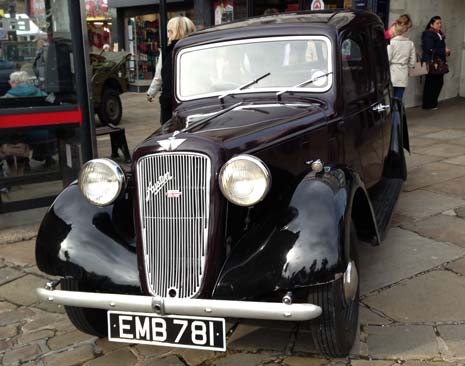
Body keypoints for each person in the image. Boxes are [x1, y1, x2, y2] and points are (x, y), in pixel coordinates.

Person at [148, 16, 196, 125]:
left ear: (175, 32)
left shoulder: (168, 51)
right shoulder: (196, 48)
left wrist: (151, 92)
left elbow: (159, 75)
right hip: (193, 99)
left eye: (169, 31)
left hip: (171, 101)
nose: (167, 34)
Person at [421, 16, 451, 110]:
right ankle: (428, 104)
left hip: (439, 62)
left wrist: (446, 51)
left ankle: (432, 103)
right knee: (431, 83)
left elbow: (439, 47)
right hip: (432, 62)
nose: (440, 25)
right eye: (437, 23)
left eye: (440, 23)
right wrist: (443, 51)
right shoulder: (428, 34)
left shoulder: (439, 34)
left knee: (438, 82)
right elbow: (430, 48)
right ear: (431, 24)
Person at [387, 14, 416, 100]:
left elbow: (388, 59)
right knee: (398, 98)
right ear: (405, 30)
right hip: (403, 73)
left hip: (392, 72)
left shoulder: (391, 43)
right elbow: (412, 62)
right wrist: (409, 66)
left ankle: (393, 113)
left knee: (390, 99)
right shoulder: (410, 43)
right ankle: (398, 113)